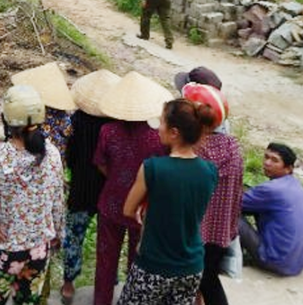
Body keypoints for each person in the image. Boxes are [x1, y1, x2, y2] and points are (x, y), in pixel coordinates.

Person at [0, 84, 65, 305]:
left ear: (7, 120)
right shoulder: (53, 154)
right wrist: (58, 232)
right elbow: (58, 201)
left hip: (6, 249)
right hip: (39, 247)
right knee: (29, 301)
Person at [118, 98, 219, 305]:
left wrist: (144, 211)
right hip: (191, 267)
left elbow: (128, 210)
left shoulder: (152, 168)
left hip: (153, 265)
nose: (158, 128)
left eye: (162, 122)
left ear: (174, 132)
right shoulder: (210, 171)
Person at [92, 71, 168, 305]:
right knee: (138, 259)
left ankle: (101, 301)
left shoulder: (107, 131)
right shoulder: (158, 138)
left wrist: (116, 177)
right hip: (142, 207)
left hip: (112, 202)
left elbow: (100, 163)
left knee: (106, 259)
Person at [60, 69, 119, 305]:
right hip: (107, 189)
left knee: (74, 236)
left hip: (81, 187)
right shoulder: (117, 125)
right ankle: (110, 280)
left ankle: (68, 285)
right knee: (108, 240)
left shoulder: (77, 121)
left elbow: (70, 156)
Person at [180, 82, 243, 305]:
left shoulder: (192, 150)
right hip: (219, 232)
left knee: (203, 282)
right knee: (207, 278)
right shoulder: (233, 148)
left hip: (190, 232)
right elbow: (237, 192)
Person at [240, 142, 303, 277]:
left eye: (274, 160)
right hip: (295, 264)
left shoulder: (271, 189)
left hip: (275, 261)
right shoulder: (295, 184)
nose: (267, 163)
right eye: (266, 157)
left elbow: (233, 203)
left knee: (227, 213)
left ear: (288, 168)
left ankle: (225, 256)